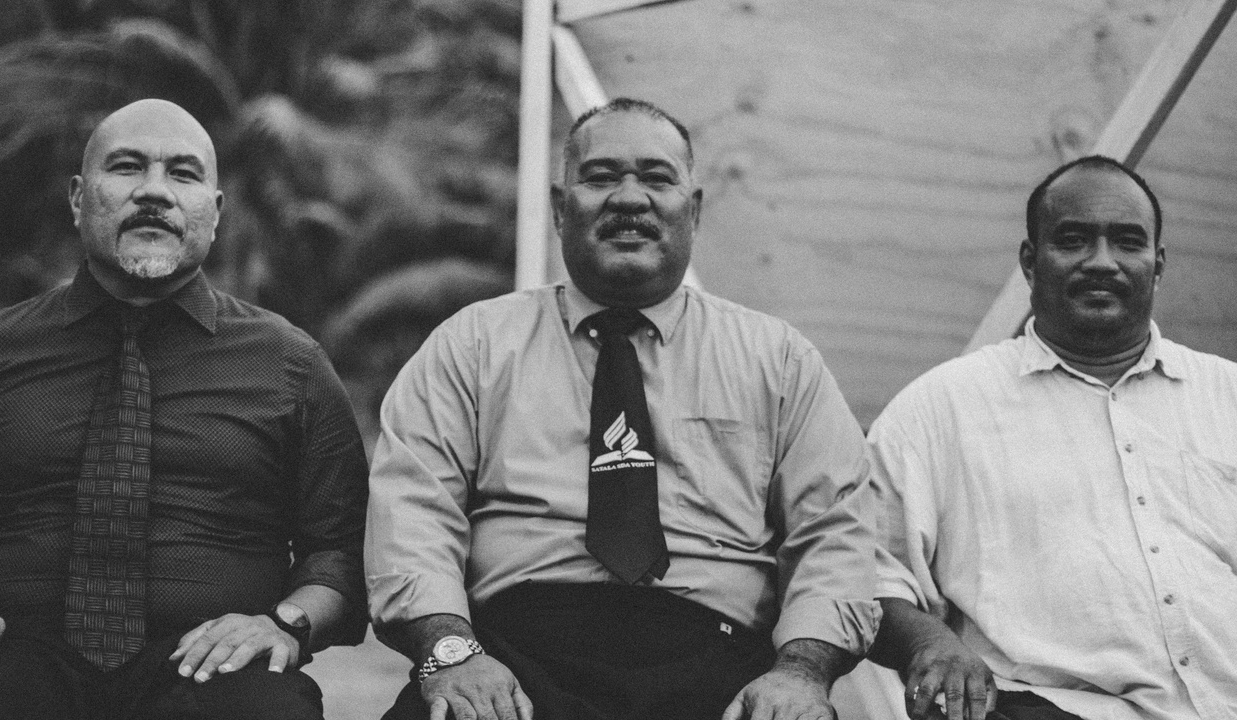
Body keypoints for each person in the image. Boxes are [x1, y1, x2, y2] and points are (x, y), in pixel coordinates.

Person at [365, 97, 880, 720]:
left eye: (657, 178)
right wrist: (452, 655)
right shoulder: (471, 345)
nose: (629, 198)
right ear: (560, 208)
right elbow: (413, 513)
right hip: (512, 656)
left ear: (692, 210)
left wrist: (801, 672)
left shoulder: (779, 361)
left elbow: (833, 535)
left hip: (718, 661)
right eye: (601, 177)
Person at [0, 99, 369, 720]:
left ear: (215, 210)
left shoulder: (292, 365)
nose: (154, 192)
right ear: (77, 198)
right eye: (126, 167)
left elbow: (340, 551)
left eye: (182, 173)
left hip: (212, 672)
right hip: (2, 658)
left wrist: (284, 626)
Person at [868, 155, 1237, 720]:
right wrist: (931, 644)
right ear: (1030, 262)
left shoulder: (1227, 395)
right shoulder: (941, 408)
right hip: (1053, 709)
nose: (1103, 262)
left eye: (1128, 243)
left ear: (1157, 264)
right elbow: (868, 569)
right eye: (1073, 240)